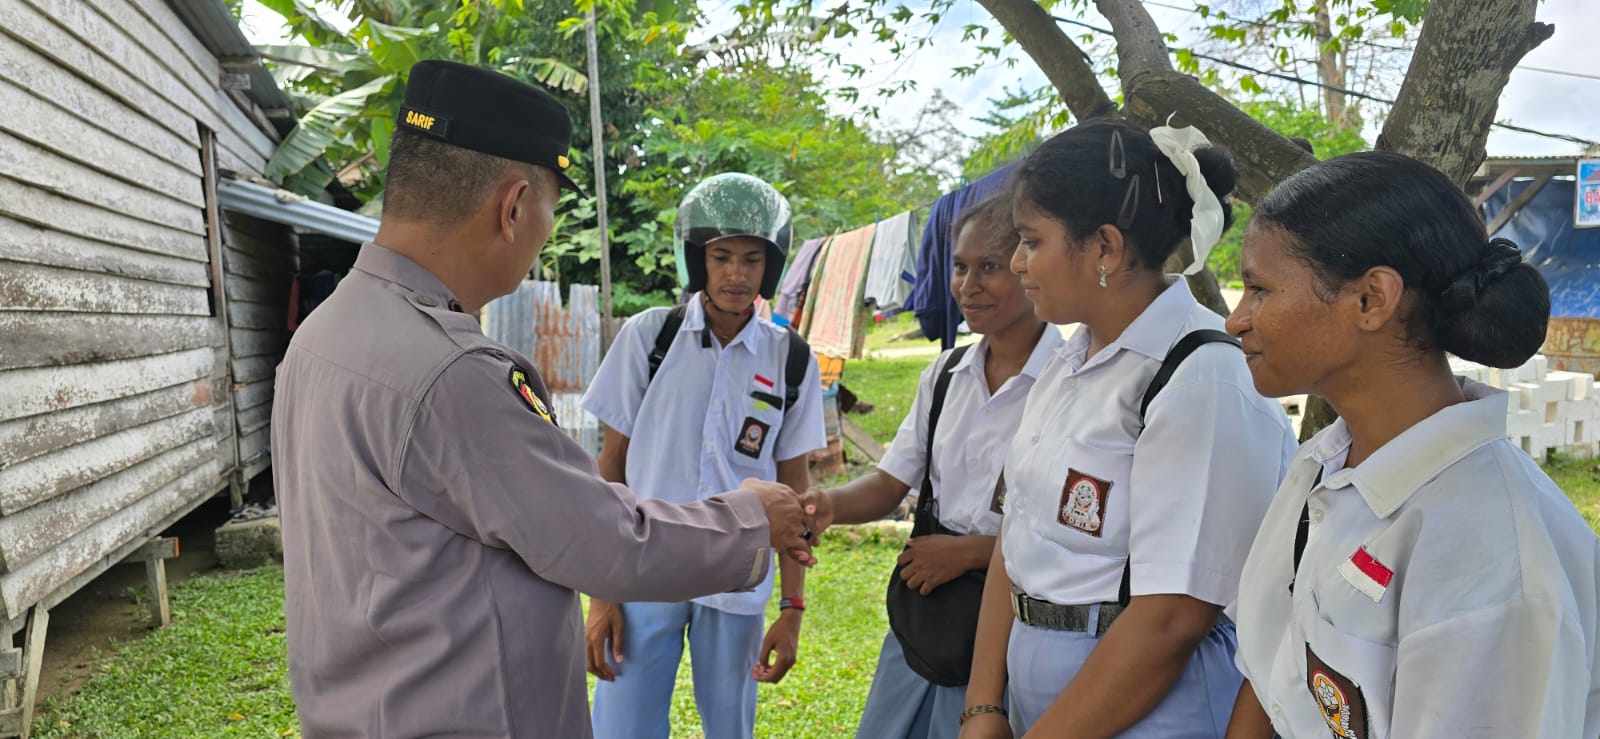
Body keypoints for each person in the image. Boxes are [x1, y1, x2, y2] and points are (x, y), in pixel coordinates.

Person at [271, 60, 818, 739]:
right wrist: (749, 517)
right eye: (552, 208)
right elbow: (599, 537)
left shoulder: (322, 334)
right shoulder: (452, 371)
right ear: (513, 205)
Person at [1223, 151, 1600, 738]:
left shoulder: (1494, 556)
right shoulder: (1324, 462)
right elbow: (1276, 676)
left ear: (1371, 299)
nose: (1236, 319)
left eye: (1258, 289)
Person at [958, 119, 1298, 739]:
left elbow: (1172, 620)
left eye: (1032, 241)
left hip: (1144, 700)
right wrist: (984, 704)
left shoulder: (1199, 379)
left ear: (1106, 249)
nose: (1015, 262)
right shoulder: (1071, 359)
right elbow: (1020, 534)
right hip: (1042, 680)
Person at [581, 173, 827, 739]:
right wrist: (602, 592)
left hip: (738, 578)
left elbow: (795, 494)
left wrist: (792, 608)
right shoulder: (649, 338)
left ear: (772, 266)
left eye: (751, 259)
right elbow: (610, 469)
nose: (737, 275)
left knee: (730, 728)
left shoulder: (789, 358)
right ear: (697, 260)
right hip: (647, 568)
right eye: (721, 257)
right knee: (623, 727)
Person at [809, 192, 1061, 739]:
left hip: (1015, 629)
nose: (968, 286)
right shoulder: (947, 375)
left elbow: (1082, 538)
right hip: (926, 619)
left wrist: (971, 552)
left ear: (1028, 266)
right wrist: (823, 505)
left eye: (989, 268)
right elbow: (889, 481)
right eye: (960, 267)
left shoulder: (1070, 382)